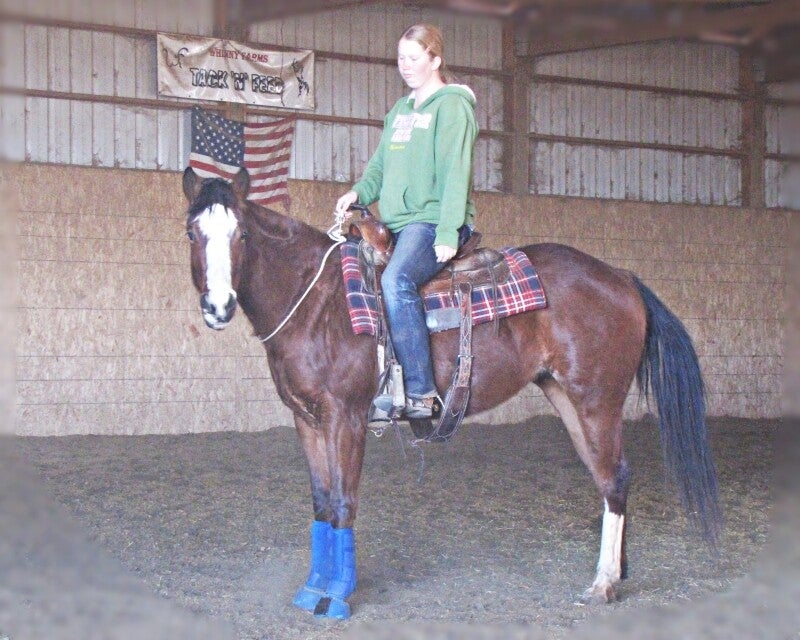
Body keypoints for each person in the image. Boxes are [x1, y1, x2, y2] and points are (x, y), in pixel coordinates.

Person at [335, 23, 478, 419]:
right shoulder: (399, 111)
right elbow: (380, 167)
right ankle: (383, 384)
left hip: (431, 221)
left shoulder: (452, 107)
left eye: (414, 58)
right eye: (401, 58)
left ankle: (421, 392)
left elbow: (455, 172)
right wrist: (358, 193)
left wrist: (448, 231)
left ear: (435, 59)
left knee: (396, 282)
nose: (406, 65)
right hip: (397, 223)